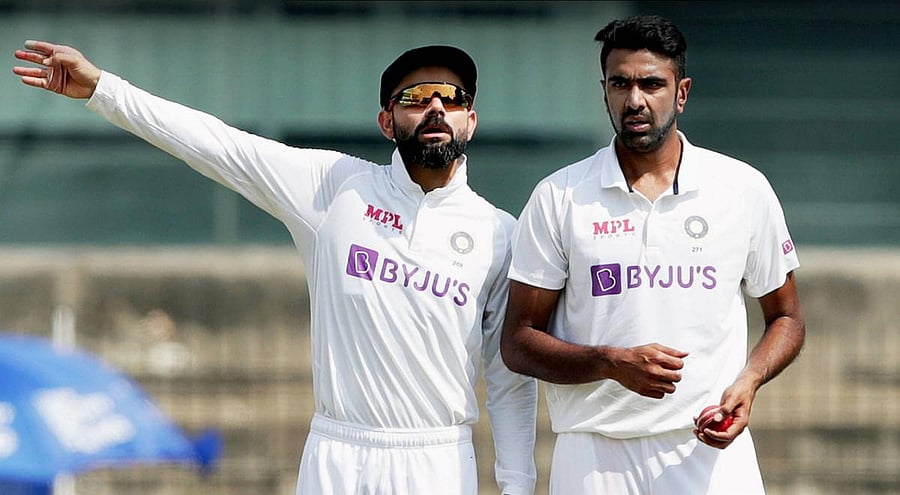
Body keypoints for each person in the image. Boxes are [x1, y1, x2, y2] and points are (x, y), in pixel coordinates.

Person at [14, 41, 537, 495]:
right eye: (416, 97)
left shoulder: (499, 234)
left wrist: (518, 486)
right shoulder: (334, 187)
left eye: (453, 98)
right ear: (386, 121)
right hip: (338, 449)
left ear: (471, 118)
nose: (436, 108)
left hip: (437, 459)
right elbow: (218, 144)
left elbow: (509, 378)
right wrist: (103, 89)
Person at [500, 14, 805, 495]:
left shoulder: (742, 188)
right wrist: (609, 362)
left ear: (681, 92)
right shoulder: (559, 196)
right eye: (620, 84)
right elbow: (517, 342)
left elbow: (786, 318)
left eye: (651, 84)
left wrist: (749, 380)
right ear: (604, 91)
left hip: (708, 448)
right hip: (593, 452)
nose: (634, 100)